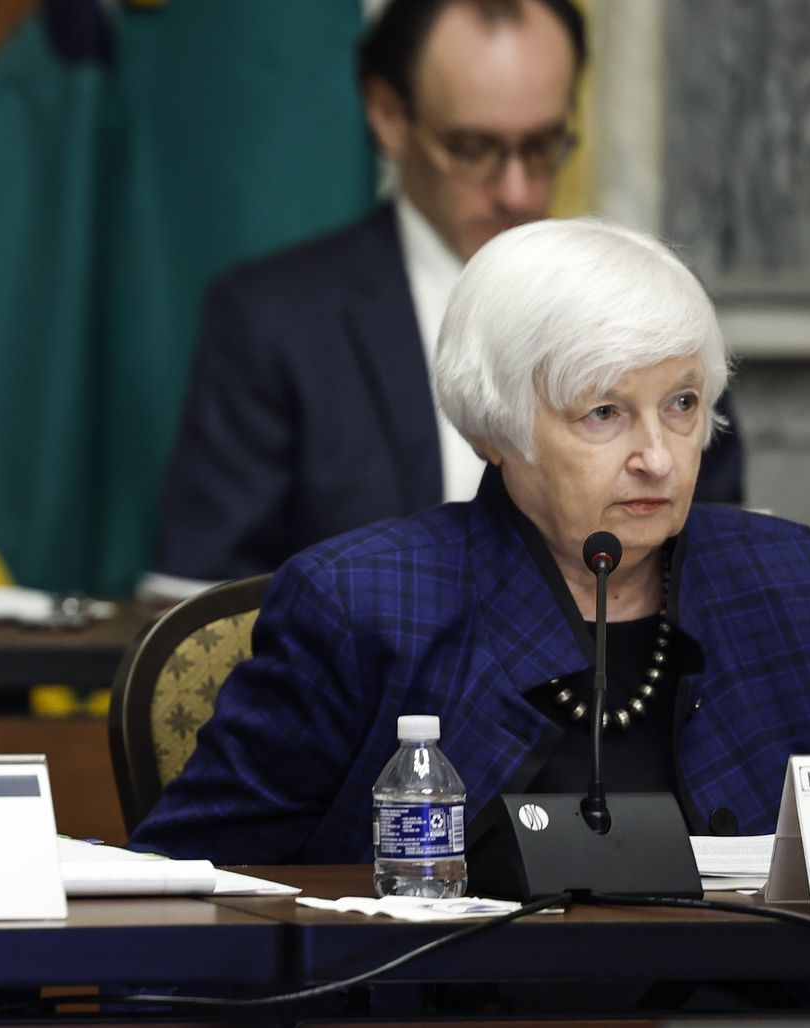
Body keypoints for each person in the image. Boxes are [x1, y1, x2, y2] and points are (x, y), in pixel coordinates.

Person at [131, 218, 810, 866]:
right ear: (494, 429)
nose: (659, 458)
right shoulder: (361, 607)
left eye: (681, 404)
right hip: (456, 998)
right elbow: (192, 898)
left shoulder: (795, 582)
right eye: (604, 412)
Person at [145, 0, 743, 596]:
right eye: (473, 148)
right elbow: (203, 609)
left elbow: (708, 562)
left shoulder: (651, 308)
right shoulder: (275, 321)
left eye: (542, 146)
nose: (516, 189)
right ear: (388, 116)